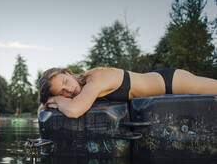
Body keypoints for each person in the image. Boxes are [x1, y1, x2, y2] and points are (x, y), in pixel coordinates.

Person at [38, 67, 217, 118]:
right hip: (163, 90)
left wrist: (55, 100)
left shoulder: (95, 79)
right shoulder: (85, 91)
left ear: (68, 73)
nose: (69, 89)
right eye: (63, 92)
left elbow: (73, 111)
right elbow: (41, 111)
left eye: (65, 82)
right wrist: (51, 101)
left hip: (172, 82)